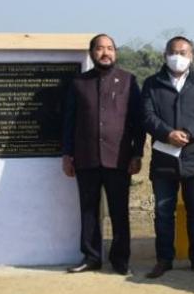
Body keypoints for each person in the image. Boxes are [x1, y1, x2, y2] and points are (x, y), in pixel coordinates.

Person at [61, 33, 145, 274]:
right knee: (88, 210)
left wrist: (137, 153)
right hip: (86, 157)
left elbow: (137, 122)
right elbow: (69, 121)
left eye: (110, 48)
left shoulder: (128, 81)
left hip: (118, 158)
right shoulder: (79, 83)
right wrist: (67, 154)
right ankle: (91, 257)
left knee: (119, 211)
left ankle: (120, 261)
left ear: (115, 53)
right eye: (100, 48)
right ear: (91, 53)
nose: (105, 53)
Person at [142, 36, 194, 279]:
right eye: (174, 52)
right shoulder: (152, 83)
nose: (178, 57)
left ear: (191, 56)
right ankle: (164, 259)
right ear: (165, 54)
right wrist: (167, 133)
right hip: (164, 158)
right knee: (164, 212)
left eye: (183, 52)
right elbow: (147, 114)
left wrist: (189, 132)